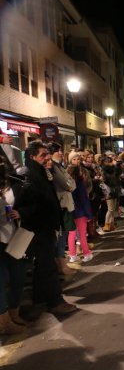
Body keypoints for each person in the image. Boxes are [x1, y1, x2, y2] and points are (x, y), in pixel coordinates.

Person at [16, 141, 77, 315]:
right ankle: (55, 301)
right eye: (43, 155)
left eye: (47, 154)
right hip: (40, 228)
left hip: (46, 226)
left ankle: (40, 298)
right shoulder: (31, 175)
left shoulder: (41, 172)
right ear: (32, 157)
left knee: (42, 265)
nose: (47, 157)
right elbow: (32, 202)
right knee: (48, 266)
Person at [0, 155, 27, 334]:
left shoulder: (14, 185)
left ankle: (13, 313)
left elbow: (27, 205)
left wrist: (20, 213)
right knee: (2, 281)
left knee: (17, 277)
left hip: (14, 238)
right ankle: (4, 322)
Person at [47, 143, 76, 276]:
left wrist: (69, 182)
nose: (61, 153)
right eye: (58, 151)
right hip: (62, 204)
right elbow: (66, 184)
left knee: (64, 235)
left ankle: (61, 264)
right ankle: (61, 265)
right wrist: (69, 183)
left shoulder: (59, 165)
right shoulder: (53, 166)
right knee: (61, 236)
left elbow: (71, 182)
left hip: (65, 203)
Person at [66, 153, 94, 263]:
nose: (77, 161)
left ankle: (73, 255)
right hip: (80, 211)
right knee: (82, 234)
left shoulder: (66, 179)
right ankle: (87, 253)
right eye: (74, 159)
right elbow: (83, 198)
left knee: (71, 234)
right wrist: (89, 214)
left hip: (70, 210)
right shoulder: (79, 181)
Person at [101, 155, 120, 232]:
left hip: (115, 190)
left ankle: (111, 224)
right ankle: (106, 224)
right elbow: (107, 180)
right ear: (105, 162)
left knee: (113, 209)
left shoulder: (114, 169)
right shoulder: (104, 171)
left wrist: (117, 165)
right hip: (108, 191)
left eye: (111, 161)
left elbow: (119, 173)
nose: (111, 163)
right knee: (110, 209)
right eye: (109, 162)